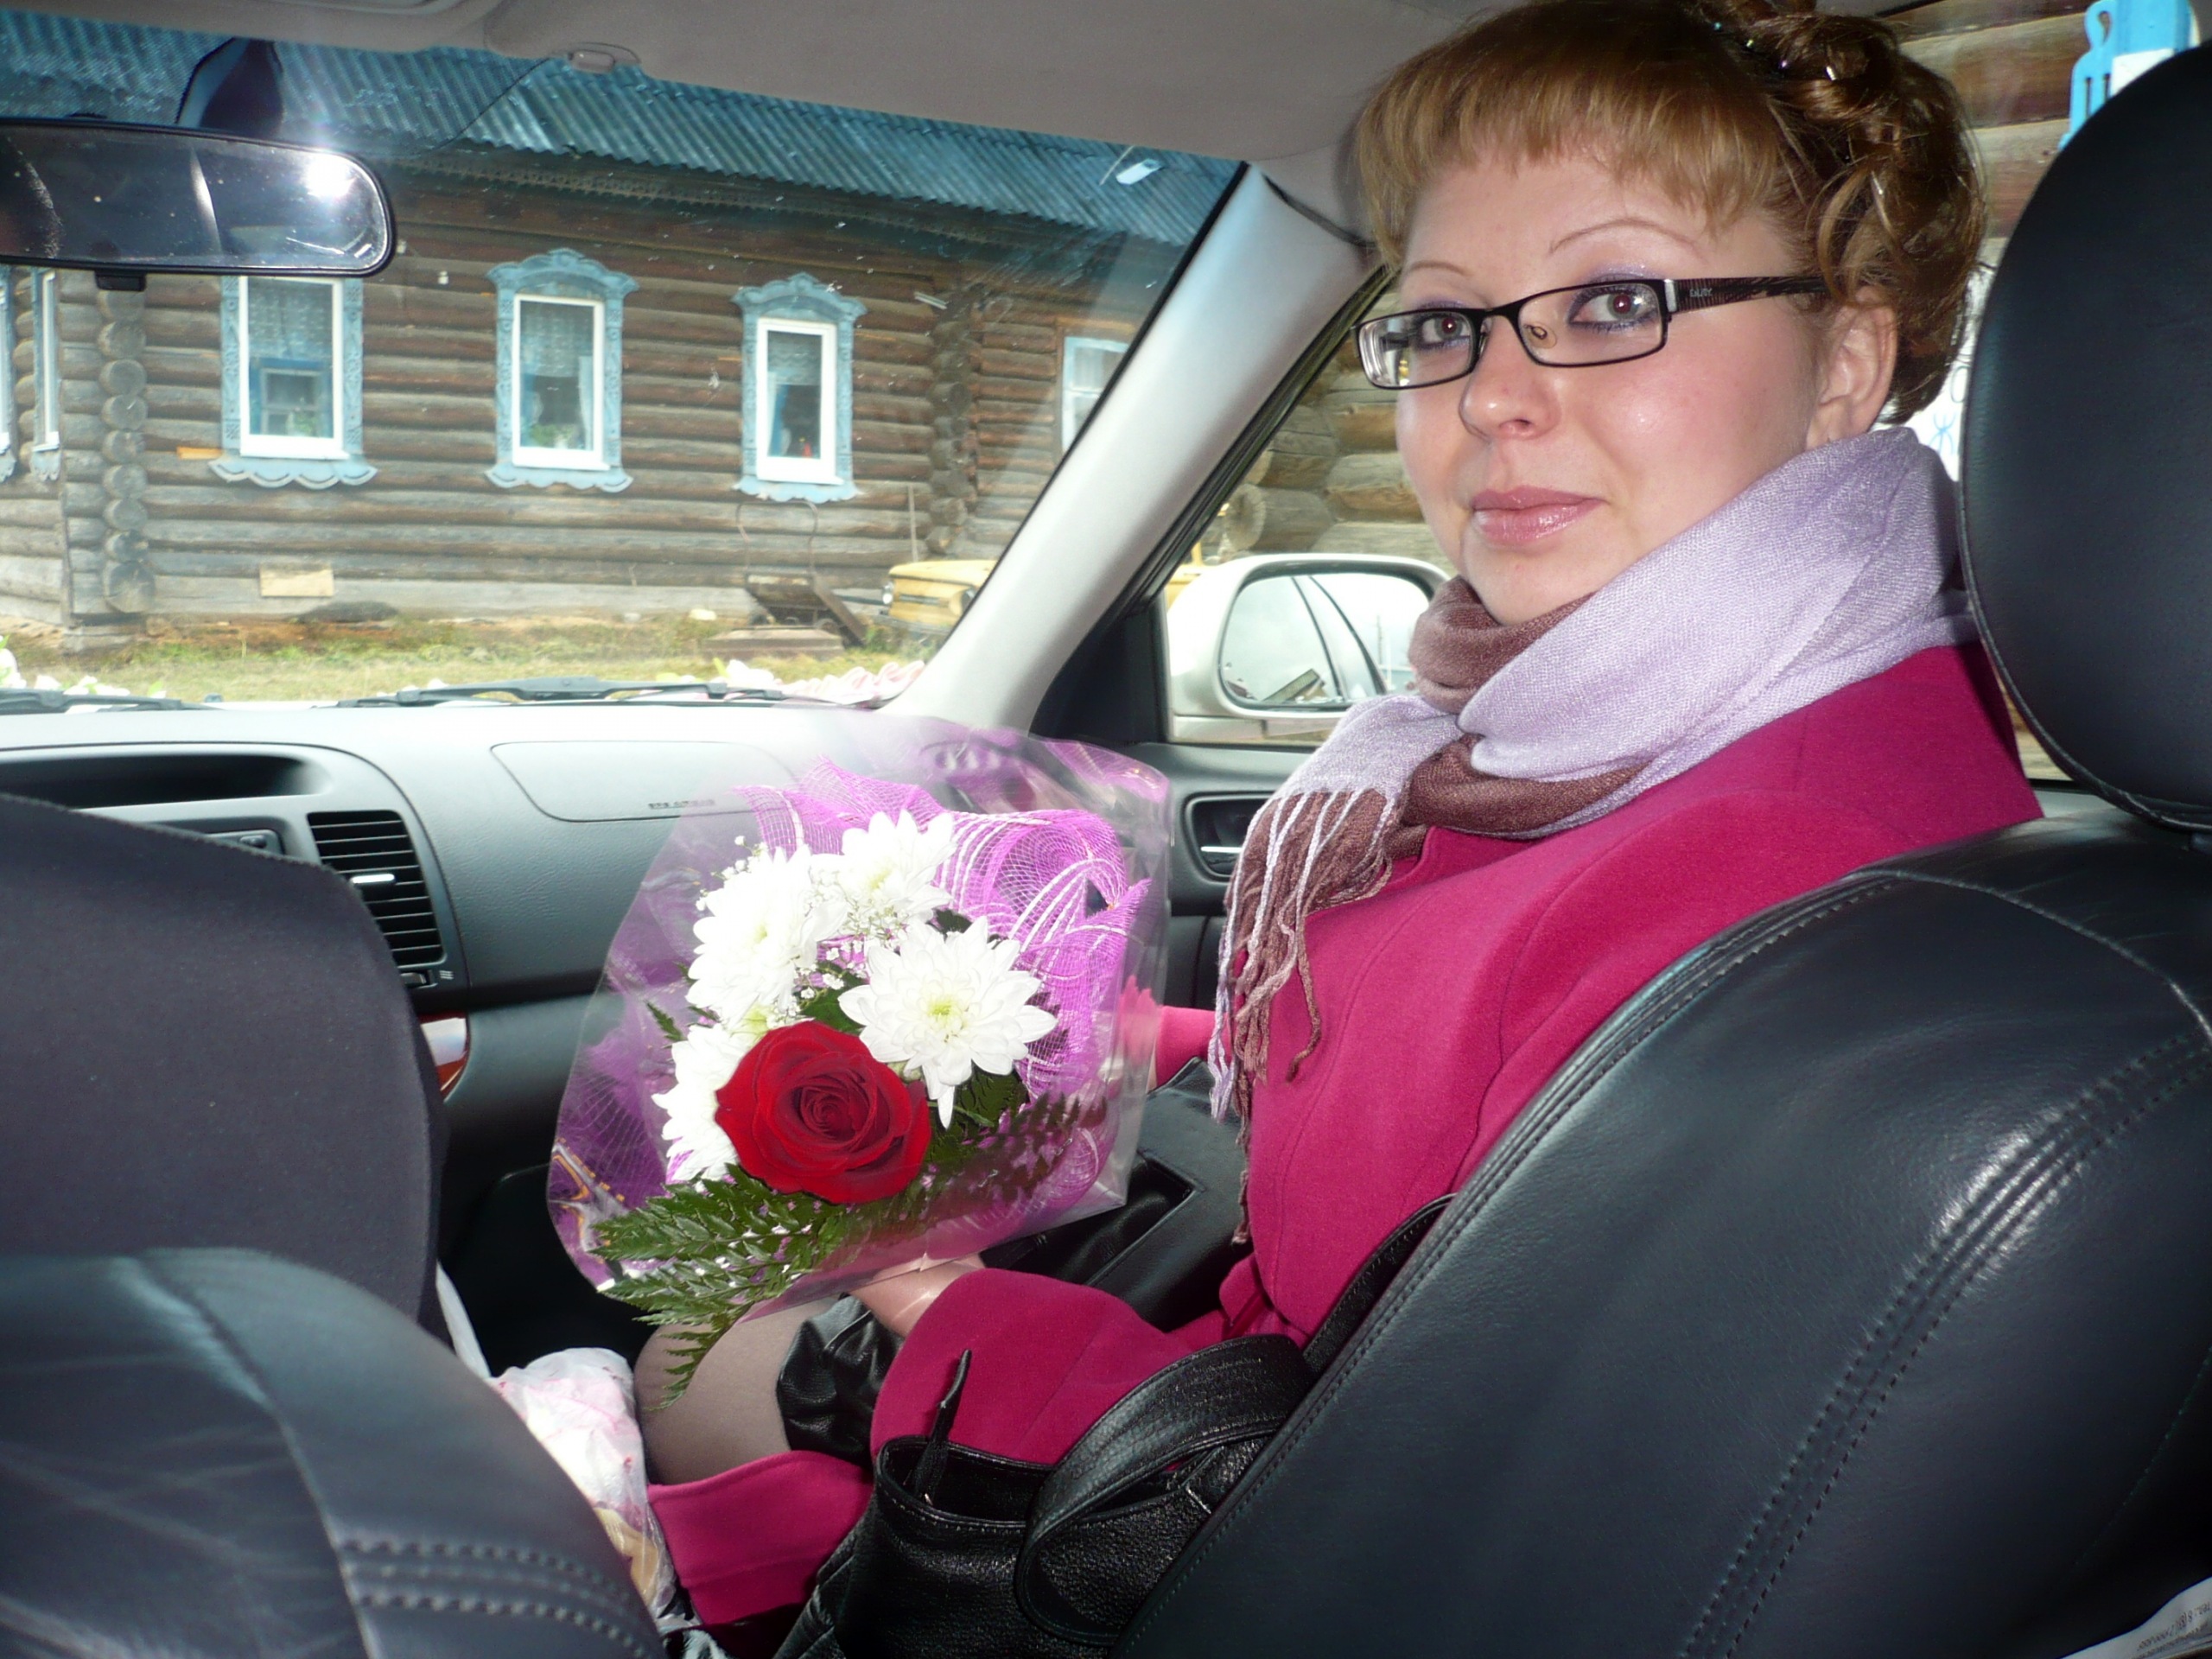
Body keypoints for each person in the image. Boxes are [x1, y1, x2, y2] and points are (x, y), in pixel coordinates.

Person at [642, 0, 2041, 1624]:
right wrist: (1121, 1046)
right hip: (1262, 1412)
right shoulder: (1677, 735)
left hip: (1242, 1524)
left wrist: (933, 1296)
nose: (1494, 395)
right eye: (1445, 322)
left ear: (1845, 363)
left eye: (1614, 301)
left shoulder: (1766, 870)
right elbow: (1440, 1115)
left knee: (691, 1347)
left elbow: (1403, 1511)